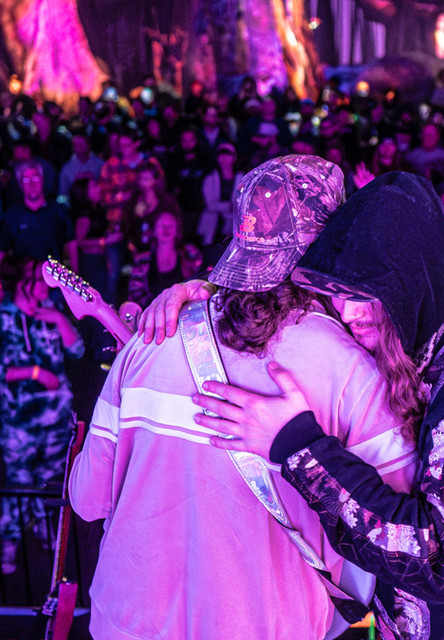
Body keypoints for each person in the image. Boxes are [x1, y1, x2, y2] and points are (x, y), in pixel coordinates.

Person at [142, 172, 444, 640]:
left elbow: (442, 560)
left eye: (364, 296)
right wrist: (206, 298)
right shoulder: (421, 323)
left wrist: (295, 445)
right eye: (338, 292)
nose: (347, 313)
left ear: (409, 283)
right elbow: (282, 287)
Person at [68, 155, 418, 640]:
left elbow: (87, 499)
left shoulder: (149, 340)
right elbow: (403, 535)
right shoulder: (350, 370)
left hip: (126, 625)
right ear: (331, 247)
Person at [0, 255, 84, 573]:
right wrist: (35, 372)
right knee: (19, 481)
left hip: (55, 417)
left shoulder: (52, 309)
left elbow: (77, 350)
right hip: (19, 419)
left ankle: (43, 528)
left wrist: (60, 319)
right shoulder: (4, 317)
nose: (47, 284)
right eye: (39, 278)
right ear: (23, 282)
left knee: (49, 479)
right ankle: (8, 541)